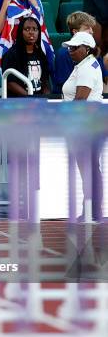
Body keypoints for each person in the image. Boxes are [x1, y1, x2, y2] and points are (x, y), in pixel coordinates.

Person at [62, 31, 104, 222]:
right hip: (90, 122)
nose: (70, 51)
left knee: (88, 168)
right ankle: (92, 210)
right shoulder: (86, 64)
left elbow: (80, 100)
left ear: (86, 49)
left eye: (74, 48)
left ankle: (91, 210)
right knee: (91, 168)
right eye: (70, 47)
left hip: (84, 124)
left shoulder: (87, 68)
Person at [0, 0, 54, 67]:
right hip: (9, 49)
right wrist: (6, 2)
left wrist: (33, 1)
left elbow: (41, 27)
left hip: (32, 47)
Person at [53, 11, 107, 94]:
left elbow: (103, 81)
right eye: (87, 28)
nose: (91, 31)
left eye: (91, 28)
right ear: (75, 32)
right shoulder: (63, 54)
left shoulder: (94, 51)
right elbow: (65, 88)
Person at [1, 17, 51, 96]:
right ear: (21, 32)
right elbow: (10, 83)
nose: (31, 32)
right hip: (18, 103)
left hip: (39, 103)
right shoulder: (11, 55)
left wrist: (46, 97)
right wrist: (30, 98)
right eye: (27, 29)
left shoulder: (41, 55)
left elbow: (45, 81)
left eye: (35, 29)